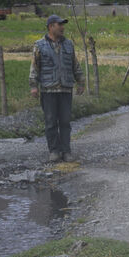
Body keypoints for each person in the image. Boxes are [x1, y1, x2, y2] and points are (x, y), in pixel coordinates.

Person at [28, 14, 85, 162]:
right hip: (48, 90)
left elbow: (75, 65)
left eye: (63, 24)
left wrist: (81, 81)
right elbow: (35, 66)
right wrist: (33, 86)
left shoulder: (69, 44)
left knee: (65, 122)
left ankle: (66, 151)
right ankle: (54, 150)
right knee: (50, 122)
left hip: (66, 89)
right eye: (60, 25)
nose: (62, 27)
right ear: (51, 26)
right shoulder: (39, 45)